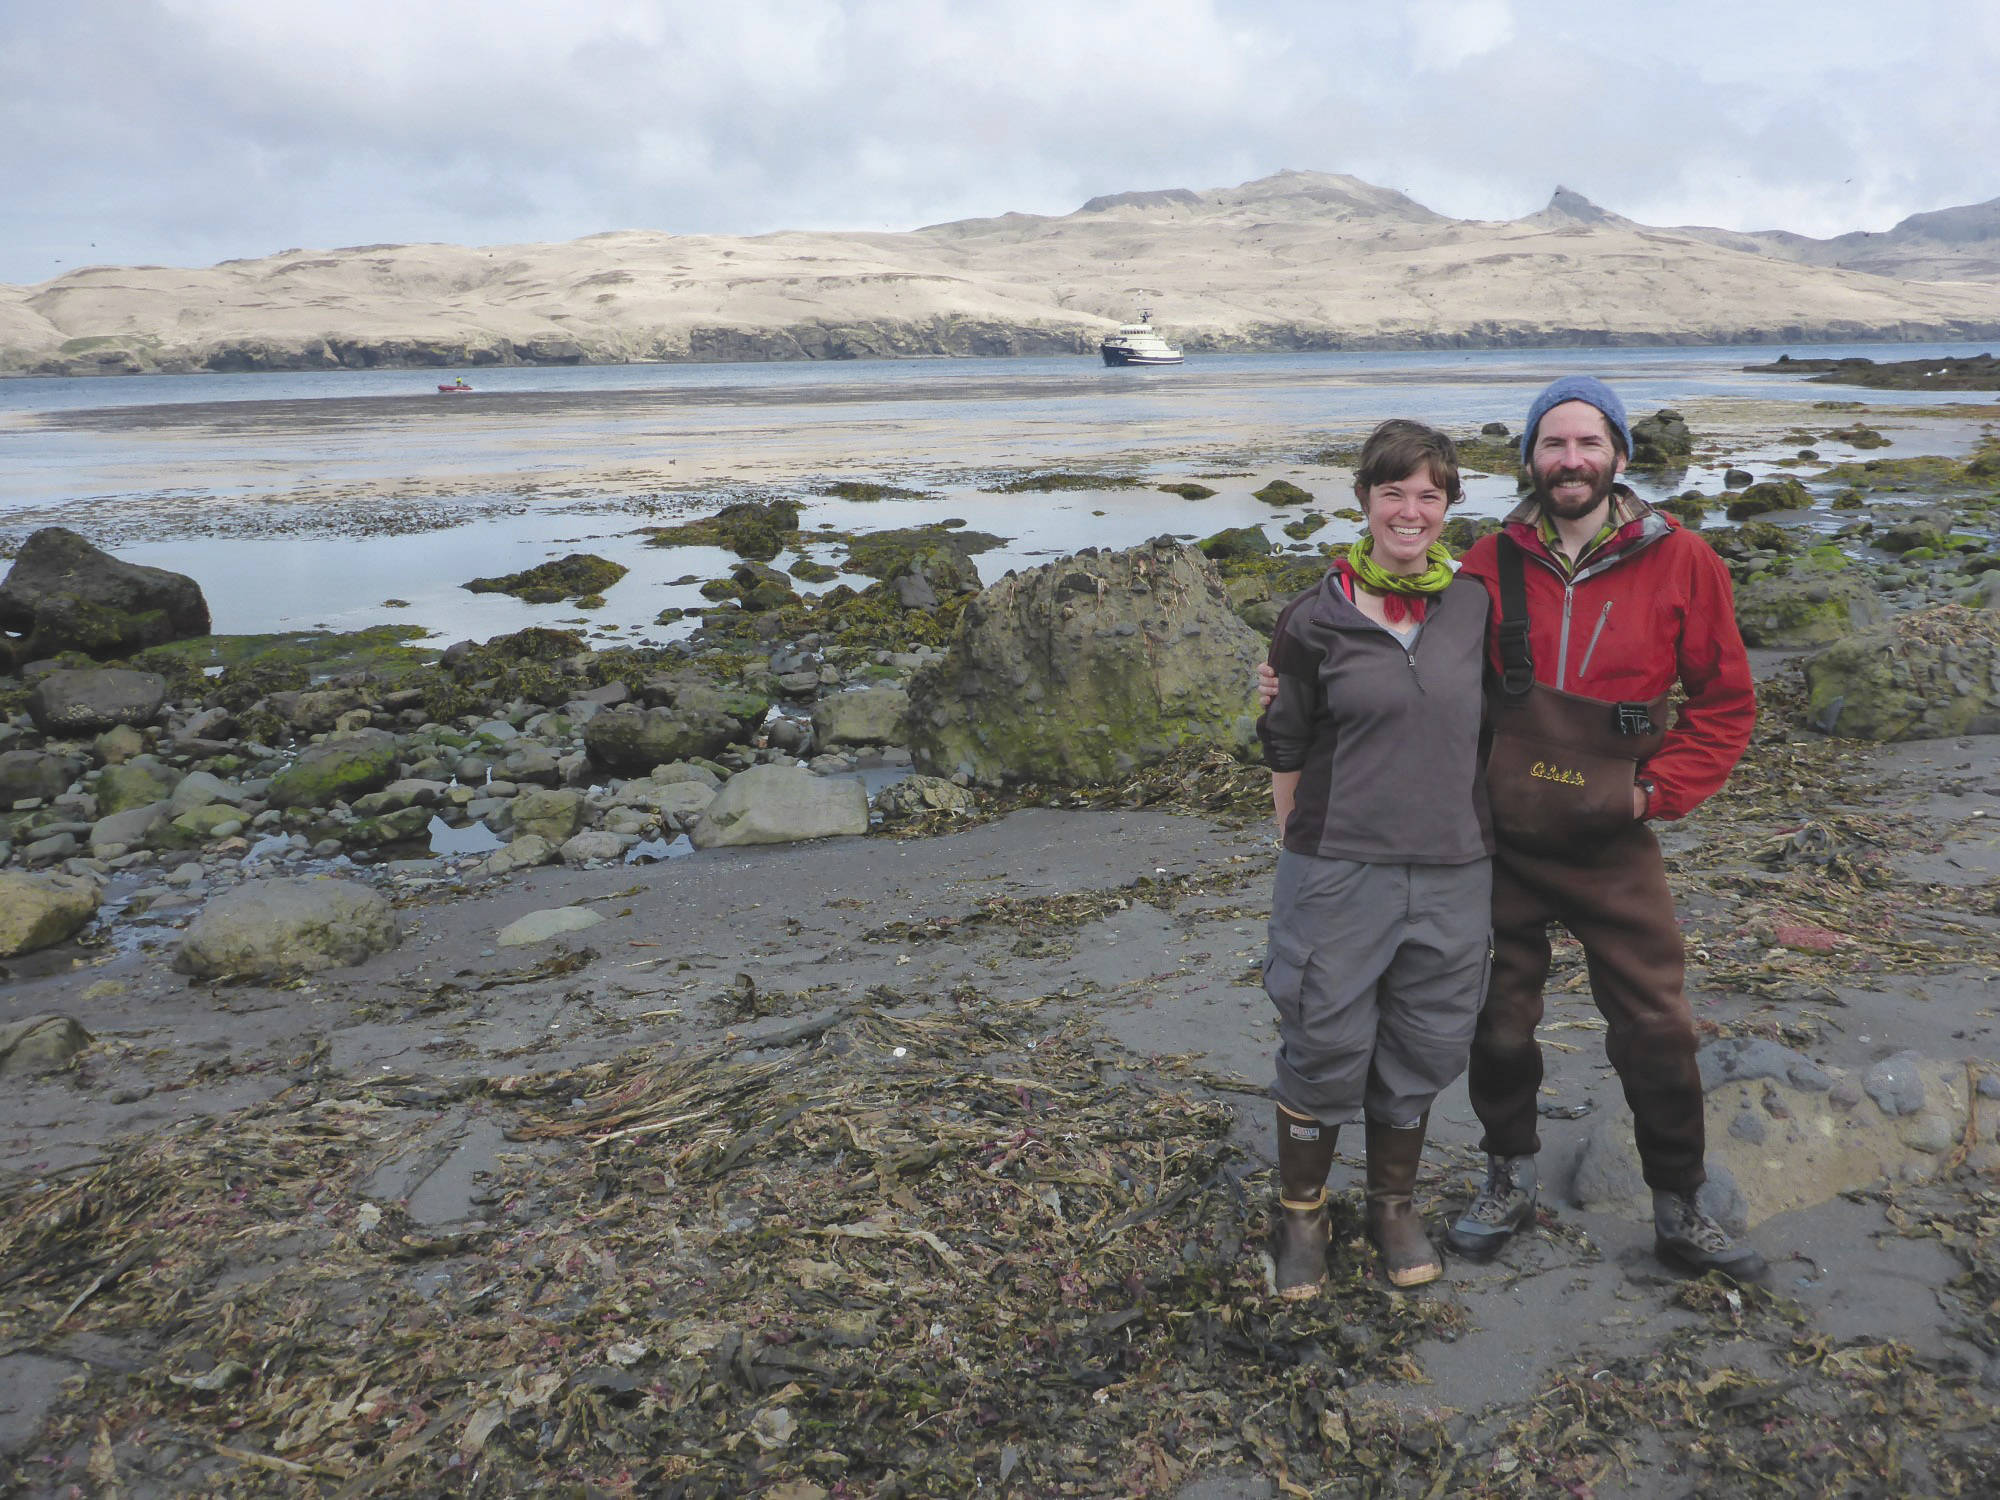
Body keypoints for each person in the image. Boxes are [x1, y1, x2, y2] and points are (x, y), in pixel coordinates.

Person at [1255, 419, 1494, 1296]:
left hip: (1453, 867)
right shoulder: (1312, 619)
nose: (1410, 509)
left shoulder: (1475, 605)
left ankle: (1392, 1204)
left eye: (1429, 494)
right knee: (1322, 1036)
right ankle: (1302, 1213)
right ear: (1363, 500)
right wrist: (1299, 835)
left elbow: (1504, 716)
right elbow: (1285, 739)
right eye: (1392, 491)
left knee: (1427, 1038)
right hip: (1338, 868)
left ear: (1449, 506)